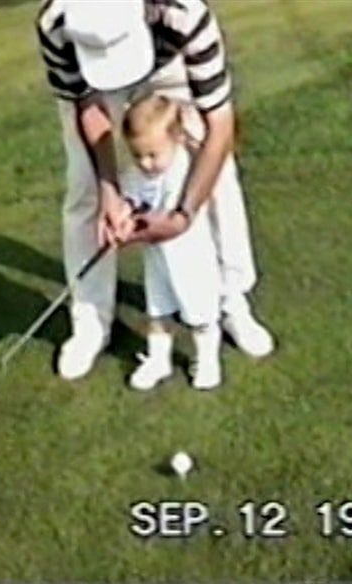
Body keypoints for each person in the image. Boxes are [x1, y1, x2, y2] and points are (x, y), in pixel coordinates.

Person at [35, 0, 275, 381]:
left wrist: (183, 215)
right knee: (86, 189)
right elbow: (87, 104)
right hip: (91, 82)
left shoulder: (185, 13)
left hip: (171, 64)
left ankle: (231, 299)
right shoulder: (58, 26)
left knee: (219, 178)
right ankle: (91, 319)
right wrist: (110, 192)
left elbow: (220, 125)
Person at [121, 93, 223, 390]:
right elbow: (131, 195)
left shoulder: (182, 170)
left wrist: (131, 233)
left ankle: (207, 359)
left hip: (190, 258)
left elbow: (166, 223)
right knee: (158, 311)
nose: (145, 163)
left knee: (200, 314)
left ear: (177, 138)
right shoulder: (138, 171)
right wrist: (124, 214)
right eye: (137, 155)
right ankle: (158, 360)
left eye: (152, 154)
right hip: (158, 259)